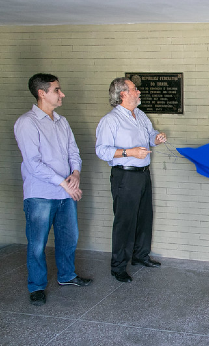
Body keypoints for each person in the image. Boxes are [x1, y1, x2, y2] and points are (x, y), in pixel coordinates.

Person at [14, 73, 92, 306]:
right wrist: (65, 183)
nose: (62, 94)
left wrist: (76, 173)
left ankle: (67, 276)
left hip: (65, 193)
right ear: (42, 93)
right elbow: (33, 163)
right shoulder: (26, 123)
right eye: (57, 90)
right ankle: (36, 286)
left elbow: (73, 152)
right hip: (40, 195)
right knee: (37, 243)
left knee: (69, 238)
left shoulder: (62, 121)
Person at [96, 77, 167, 283]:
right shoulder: (110, 120)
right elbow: (102, 151)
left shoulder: (140, 114)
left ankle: (140, 256)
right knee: (125, 221)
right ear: (123, 94)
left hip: (143, 173)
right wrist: (129, 152)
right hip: (125, 175)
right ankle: (118, 266)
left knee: (145, 217)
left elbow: (150, 134)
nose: (139, 92)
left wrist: (157, 138)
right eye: (135, 89)